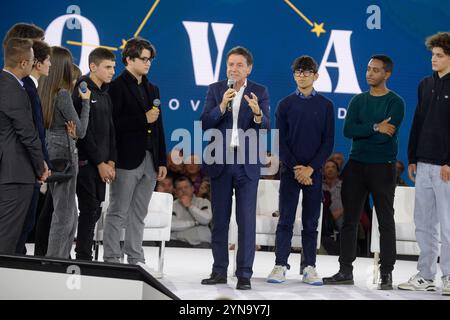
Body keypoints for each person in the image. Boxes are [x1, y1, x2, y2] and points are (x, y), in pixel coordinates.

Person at [323, 54, 405, 290]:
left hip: (383, 166)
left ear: (387, 74)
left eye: (375, 70)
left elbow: (387, 135)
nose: (369, 73)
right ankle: (345, 270)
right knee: (350, 220)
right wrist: (375, 127)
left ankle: (386, 272)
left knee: (385, 221)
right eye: (368, 69)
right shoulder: (358, 101)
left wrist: (369, 131)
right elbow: (349, 130)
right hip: (356, 166)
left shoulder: (395, 102)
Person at [200, 46, 270, 290]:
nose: (234, 68)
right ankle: (219, 271)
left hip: (247, 165)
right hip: (221, 161)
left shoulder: (259, 91)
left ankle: (244, 274)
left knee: (246, 221)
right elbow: (205, 123)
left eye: (239, 64)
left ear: (249, 68)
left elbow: (265, 127)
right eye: (230, 64)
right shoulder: (217, 89)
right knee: (219, 220)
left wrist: (258, 114)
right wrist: (221, 105)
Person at [267, 56, 334, 285]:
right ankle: (280, 265)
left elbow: (328, 142)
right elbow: (281, 142)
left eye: (306, 72)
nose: (301, 75)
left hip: (314, 173)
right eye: (298, 71)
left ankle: (309, 267)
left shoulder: (326, 105)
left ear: (316, 75)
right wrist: (297, 169)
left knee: (311, 222)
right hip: (290, 171)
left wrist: (311, 168)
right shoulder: (284, 104)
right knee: (285, 219)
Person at [103, 37, 167, 265]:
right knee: (118, 211)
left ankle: (135, 256)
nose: (148, 63)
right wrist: (142, 119)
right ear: (129, 59)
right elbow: (112, 125)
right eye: (144, 59)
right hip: (125, 159)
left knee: (139, 213)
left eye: (150, 59)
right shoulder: (115, 87)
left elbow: (159, 127)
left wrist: (161, 161)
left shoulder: (153, 88)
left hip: (150, 160)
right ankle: (111, 257)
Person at [399, 32, 450, 296]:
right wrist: (412, 158)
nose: (434, 59)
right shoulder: (424, 84)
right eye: (433, 55)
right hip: (423, 164)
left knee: (448, 224)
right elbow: (418, 123)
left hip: (446, 169)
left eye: (440, 56)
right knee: (424, 223)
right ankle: (426, 275)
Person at [39, 46, 91, 259]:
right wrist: (86, 103)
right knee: (65, 214)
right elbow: (80, 130)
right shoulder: (61, 94)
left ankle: (58, 259)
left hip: (51, 153)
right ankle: (55, 262)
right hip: (65, 155)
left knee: (65, 213)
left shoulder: (43, 89)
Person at [0, 38, 48, 254]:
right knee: (8, 238)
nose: (33, 65)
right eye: (31, 61)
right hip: (15, 175)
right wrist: (40, 166)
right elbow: (27, 134)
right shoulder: (13, 89)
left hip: (9, 172)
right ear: (22, 63)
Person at [73, 47, 117, 261]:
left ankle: (84, 255)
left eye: (113, 67)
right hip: (85, 162)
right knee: (89, 209)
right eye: (107, 67)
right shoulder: (81, 89)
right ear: (93, 66)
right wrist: (99, 162)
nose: (112, 71)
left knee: (95, 210)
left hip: (102, 163)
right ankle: (83, 257)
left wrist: (111, 160)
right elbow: (83, 132)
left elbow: (110, 130)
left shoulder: (105, 94)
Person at [15, 40, 52, 254]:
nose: (50, 65)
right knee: (22, 223)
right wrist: (41, 164)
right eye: (47, 61)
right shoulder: (27, 88)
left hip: (31, 166)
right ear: (37, 63)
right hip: (26, 167)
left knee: (26, 222)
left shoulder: (31, 87)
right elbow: (32, 133)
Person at [170, 176, 212, 247]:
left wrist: (190, 206)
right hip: (177, 243)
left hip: (201, 243)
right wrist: (195, 223)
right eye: (180, 188)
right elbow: (171, 225)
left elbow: (206, 219)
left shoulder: (203, 202)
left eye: (186, 187)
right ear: (176, 191)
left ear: (192, 188)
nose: (183, 190)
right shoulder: (171, 205)